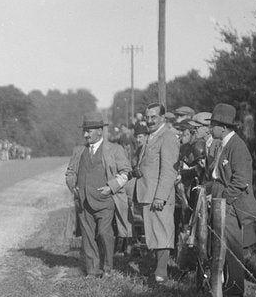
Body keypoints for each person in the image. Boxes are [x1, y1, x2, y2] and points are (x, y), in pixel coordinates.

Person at [206, 103, 256, 297]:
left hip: (230, 204)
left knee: (232, 247)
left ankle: (235, 290)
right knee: (221, 244)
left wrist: (224, 199)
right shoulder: (224, 143)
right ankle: (225, 285)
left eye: (213, 125)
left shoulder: (237, 147)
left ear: (223, 127)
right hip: (221, 200)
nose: (210, 128)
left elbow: (241, 180)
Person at [65, 112, 132, 278]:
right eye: (84, 131)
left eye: (89, 131)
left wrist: (111, 187)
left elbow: (126, 172)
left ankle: (107, 268)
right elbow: (70, 172)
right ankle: (92, 270)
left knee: (104, 233)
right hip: (83, 202)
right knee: (88, 237)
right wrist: (73, 186)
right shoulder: (78, 151)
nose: (85, 135)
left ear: (100, 131)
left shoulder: (114, 150)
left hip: (105, 201)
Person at [135, 103, 179, 283]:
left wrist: (160, 196)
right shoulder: (150, 136)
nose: (149, 121)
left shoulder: (168, 137)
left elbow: (169, 170)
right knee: (154, 234)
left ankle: (161, 275)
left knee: (162, 234)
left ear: (162, 118)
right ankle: (158, 271)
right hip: (148, 194)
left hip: (159, 196)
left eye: (153, 117)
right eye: (147, 117)